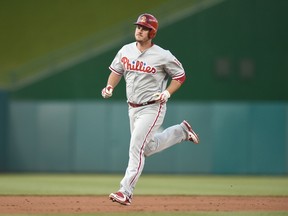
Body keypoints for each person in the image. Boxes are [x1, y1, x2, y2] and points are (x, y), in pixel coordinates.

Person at [101, 13, 200, 206]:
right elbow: (116, 71)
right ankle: (181, 131)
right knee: (147, 148)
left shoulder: (163, 55)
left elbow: (180, 76)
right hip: (132, 108)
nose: (139, 30)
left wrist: (168, 93)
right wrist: (110, 86)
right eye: (138, 26)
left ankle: (125, 191)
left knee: (135, 147)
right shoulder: (126, 50)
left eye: (144, 28)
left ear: (152, 32)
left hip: (152, 108)